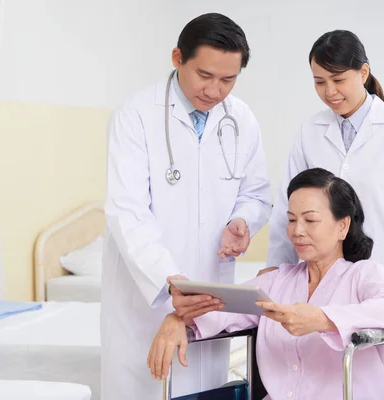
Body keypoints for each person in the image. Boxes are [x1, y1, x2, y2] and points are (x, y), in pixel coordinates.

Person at [101, 13, 271, 399]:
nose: (214, 90)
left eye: (228, 80)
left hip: (210, 290)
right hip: (146, 297)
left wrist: (241, 220)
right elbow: (127, 212)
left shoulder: (241, 119)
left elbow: (258, 192)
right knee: (145, 389)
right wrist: (168, 277)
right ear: (178, 58)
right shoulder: (136, 116)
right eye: (205, 75)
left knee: (205, 388)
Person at [262, 30, 384, 389]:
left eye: (339, 79)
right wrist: (277, 267)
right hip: (327, 285)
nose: (330, 92)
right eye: (319, 82)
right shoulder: (309, 130)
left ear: (363, 73)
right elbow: (290, 202)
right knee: (328, 380)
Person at [148, 168, 384, 400]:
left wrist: (322, 318)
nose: (297, 231)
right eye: (292, 219)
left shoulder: (364, 274)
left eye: (310, 220)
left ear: (342, 226)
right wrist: (179, 318)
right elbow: (222, 308)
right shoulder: (277, 281)